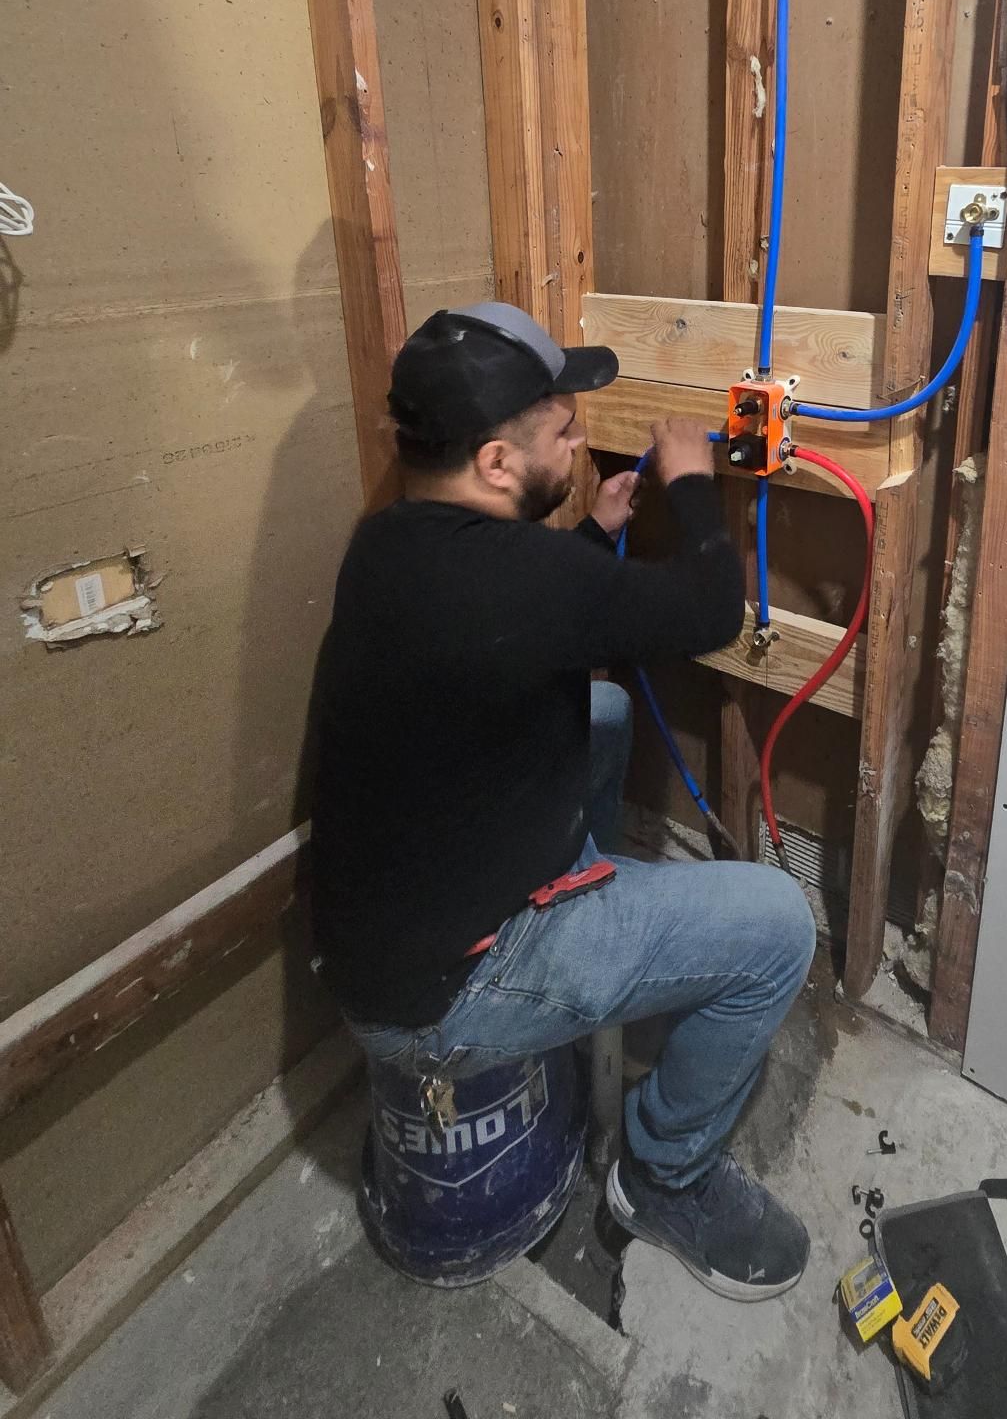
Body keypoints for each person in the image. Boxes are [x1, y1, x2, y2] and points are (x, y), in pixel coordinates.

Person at [305, 301, 817, 1300]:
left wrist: (594, 530)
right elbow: (710, 607)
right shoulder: (510, 579)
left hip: (389, 933)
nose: (583, 438)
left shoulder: (391, 545)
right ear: (497, 462)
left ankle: (591, 907)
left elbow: (523, 606)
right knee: (777, 925)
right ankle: (665, 1175)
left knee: (608, 709)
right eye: (563, 430)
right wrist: (691, 485)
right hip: (451, 995)